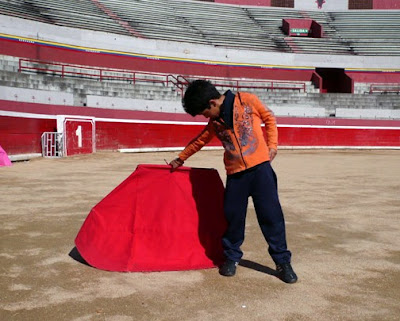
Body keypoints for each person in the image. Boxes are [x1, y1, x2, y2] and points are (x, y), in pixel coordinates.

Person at [169, 80, 297, 284]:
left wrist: (272, 146)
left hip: (261, 169)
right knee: (232, 216)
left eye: (204, 113)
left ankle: (282, 262)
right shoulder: (215, 122)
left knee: (271, 215)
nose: (205, 118)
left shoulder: (246, 100)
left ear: (212, 103)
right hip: (236, 174)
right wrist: (181, 158)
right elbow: (200, 140)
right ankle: (231, 257)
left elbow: (269, 118)